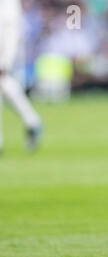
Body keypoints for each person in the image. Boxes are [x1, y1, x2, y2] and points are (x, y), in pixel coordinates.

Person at [0, 0, 42, 154]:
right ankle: (32, 121)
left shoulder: (9, 5)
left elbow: (11, 31)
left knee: (4, 83)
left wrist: (5, 61)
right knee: (5, 86)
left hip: (5, 50)